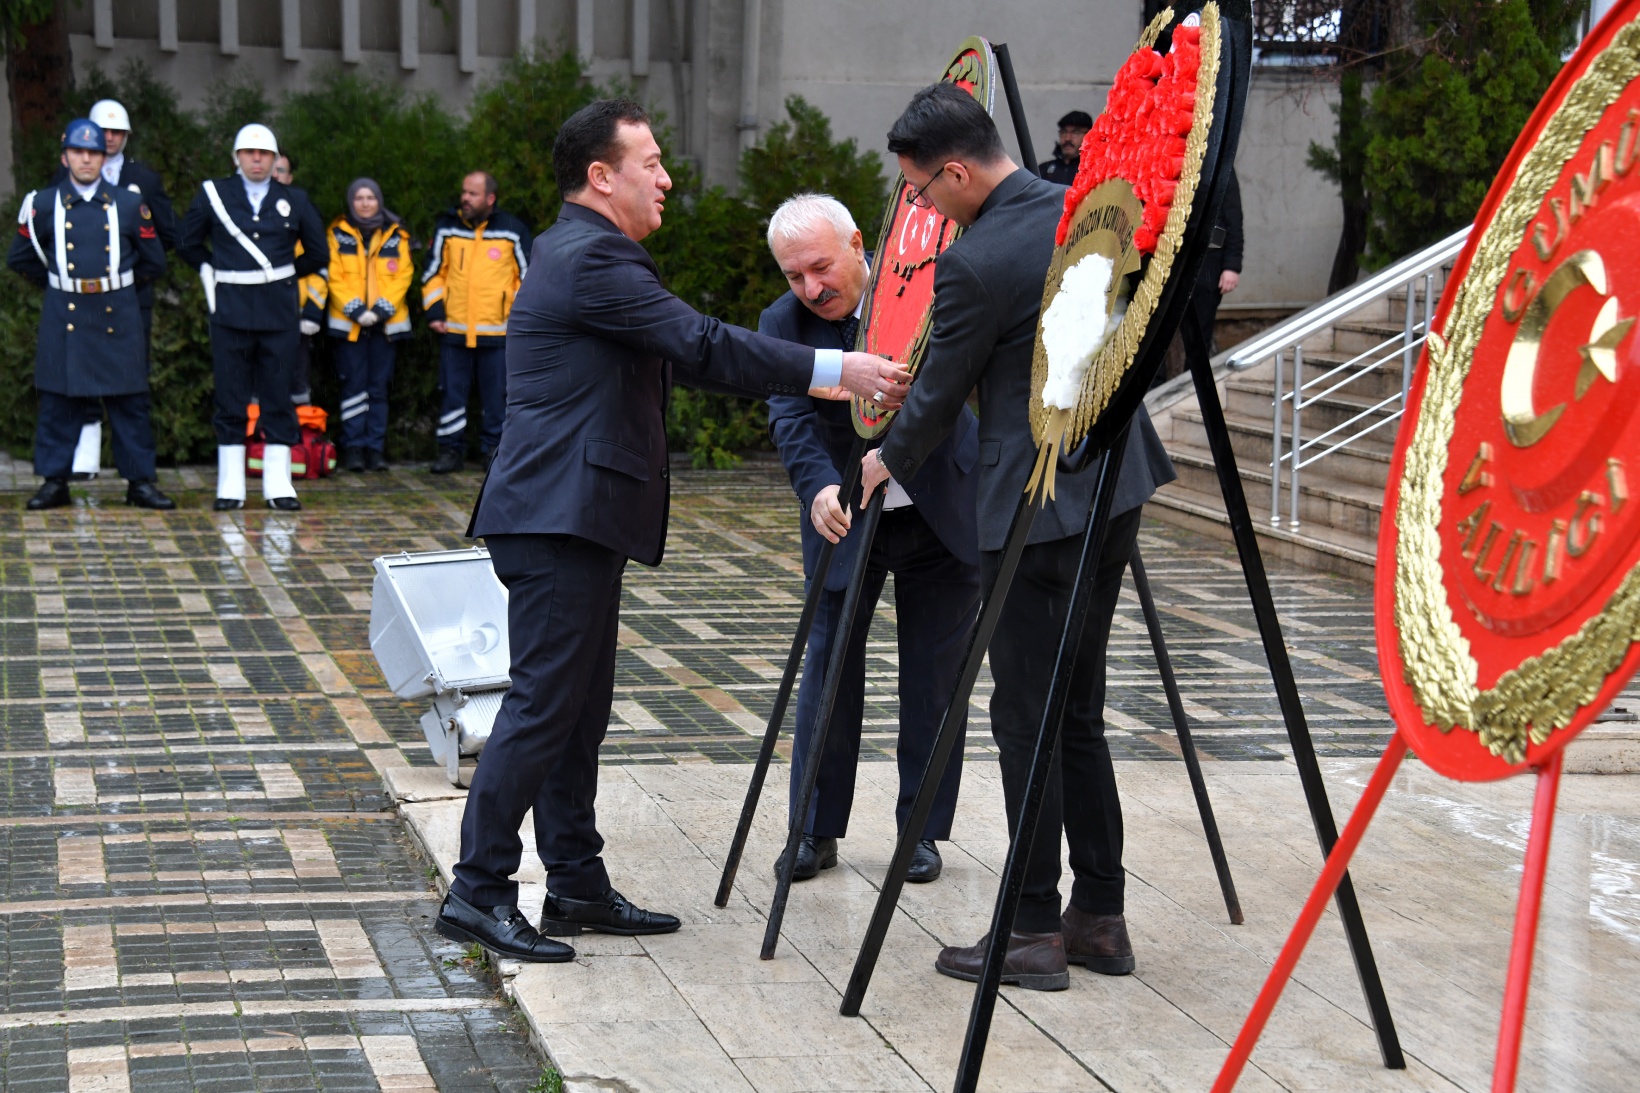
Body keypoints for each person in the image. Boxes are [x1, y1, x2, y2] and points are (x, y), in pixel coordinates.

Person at [435, 99, 913, 964]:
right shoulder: (590, 256)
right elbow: (700, 345)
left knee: (578, 711)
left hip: (572, 518)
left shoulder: (588, 252)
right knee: (546, 705)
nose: (665, 176)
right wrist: (840, 368)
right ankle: (478, 890)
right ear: (600, 175)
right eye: (649, 161)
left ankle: (574, 880)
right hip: (555, 517)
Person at [862, 83, 1176, 990]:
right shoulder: (1076, 204)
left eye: (921, 190)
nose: (920, 206)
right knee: (1076, 708)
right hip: (1114, 485)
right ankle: (1101, 915)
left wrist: (886, 456)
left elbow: (935, 393)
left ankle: (1034, 924)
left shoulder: (977, 260)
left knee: (1026, 716)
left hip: (1033, 511)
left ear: (956, 170)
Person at [760, 193, 981, 885]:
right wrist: (819, 486)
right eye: (795, 275)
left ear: (859, 243)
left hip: (939, 505)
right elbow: (788, 414)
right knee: (826, 673)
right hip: (844, 515)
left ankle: (920, 829)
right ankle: (813, 828)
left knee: (934, 681)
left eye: (821, 267)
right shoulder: (784, 321)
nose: (811, 288)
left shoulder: (926, 285)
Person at [8, 118, 172, 510]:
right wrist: (64, 283)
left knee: (129, 402)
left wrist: (118, 289)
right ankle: (54, 482)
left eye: (94, 152)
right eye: (78, 152)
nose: (86, 159)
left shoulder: (130, 204)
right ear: (64, 157)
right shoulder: (42, 204)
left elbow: (154, 262)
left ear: (104, 157)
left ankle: (139, 483)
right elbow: (20, 258)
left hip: (118, 311)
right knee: (58, 401)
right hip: (65, 311)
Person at [178, 123, 326, 511]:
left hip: (278, 313)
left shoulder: (294, 198)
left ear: (275, 159)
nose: (256, 159)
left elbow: (318, 252)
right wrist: (217, 270)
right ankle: (230, 484)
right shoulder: (215, 194)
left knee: (278, 395)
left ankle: (279, 485)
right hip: (230, 311)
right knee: (231, 396)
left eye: (264, 154)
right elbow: (187, 242)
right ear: (236, 158)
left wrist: (284, 274)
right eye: (248, 153)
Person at [48, 99, 178, 482]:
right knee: (77, 374)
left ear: (126, 137)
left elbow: (164, 236)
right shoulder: (66, 174)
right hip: (79, 299)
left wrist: (127, 276)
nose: (109, 138)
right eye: (103, 132)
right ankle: (84, 459)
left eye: (117, 132)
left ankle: (135, 473)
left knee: (129, 382)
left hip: (130, 298)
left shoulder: (146, 180)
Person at [422, 171, 530, 473]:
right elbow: (432, 275)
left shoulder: (512, 230)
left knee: (497, 397)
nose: (465, 198)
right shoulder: (448, 227)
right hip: (453, 329)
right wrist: (435, 312)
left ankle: (495, 452)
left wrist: (516, 319)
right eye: (464, 192)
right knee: (451, 394)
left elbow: (528, 277)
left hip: (498, 333)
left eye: (472, 194)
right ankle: (449, 451)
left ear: (490, 198)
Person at [325, 179, 413, 472]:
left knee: (378, 389)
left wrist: (380, 311)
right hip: (350, 325)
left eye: (371, 198)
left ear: (379, 201)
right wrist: (356, 311)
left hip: (385, 327)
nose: (365, 203)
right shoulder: (337, 234)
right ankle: (353, 449)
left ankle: (374, 450)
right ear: (351, 202)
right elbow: (333, 276)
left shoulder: (396, 235)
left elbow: (403, 275)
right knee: (353, 387)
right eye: (359, 198)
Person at [1174, 167, 1243, 384]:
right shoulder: (1170, 157)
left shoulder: (1218, 163)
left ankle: (1191, 385)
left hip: (1209, 262)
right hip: (1175, 260)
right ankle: (1158, 386)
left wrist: (1232, 266)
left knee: (1199, 335)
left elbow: (1233, 217)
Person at [275, 153, 327, 408]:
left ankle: (300, 445)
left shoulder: (303, 210)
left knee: (298, 381)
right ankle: (256, 445)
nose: (275, 175)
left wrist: (312, 312)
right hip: (257, 314)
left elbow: (320, 265)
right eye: (272, 169)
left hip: (297, 316)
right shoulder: (246, 212)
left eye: (281, 169)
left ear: (290, 176)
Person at [1039, 109, 1093, 186]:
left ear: (1089, 135)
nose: (1067, 138)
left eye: (1075, 132)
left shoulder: (1095, 170)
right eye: (1064, 132)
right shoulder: (1043, 169)